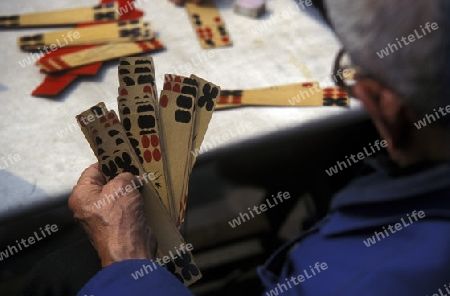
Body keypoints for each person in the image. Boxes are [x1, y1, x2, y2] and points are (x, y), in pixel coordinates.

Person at [68, 0, 450, 295]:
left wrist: (126, 259)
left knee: (57, 275)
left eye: (350, 70)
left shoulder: (359, 277)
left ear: (385, 107)